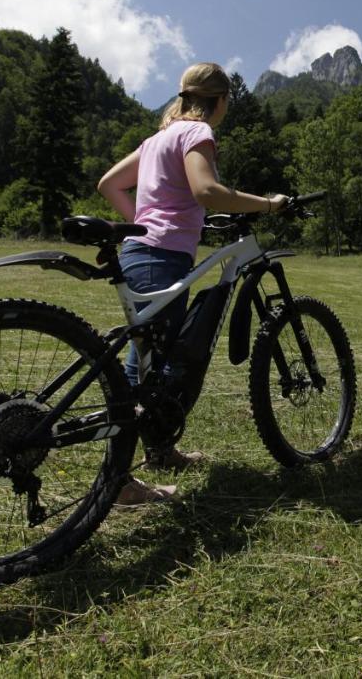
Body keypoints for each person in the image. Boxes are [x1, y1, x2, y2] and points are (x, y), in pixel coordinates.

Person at [98, 62, 287, 505]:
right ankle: (120, 480)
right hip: (162, 257)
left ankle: (160, 452)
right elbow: (206, 190)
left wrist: (141, 225)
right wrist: (268, 204)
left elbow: (109, 184)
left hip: (144, 254)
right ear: (220, 102)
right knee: (141, 366)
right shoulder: (196, 134)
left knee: (151, 363)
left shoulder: (157, 140)